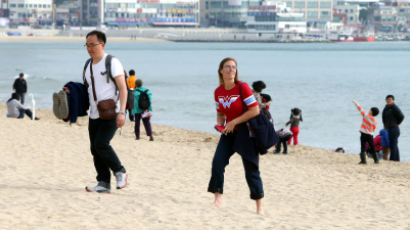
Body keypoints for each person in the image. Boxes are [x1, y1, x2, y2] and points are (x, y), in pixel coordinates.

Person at [207, 57, 264, 214]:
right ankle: (218, 198)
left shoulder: (242, 87)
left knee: (251, 169)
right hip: (229, 133)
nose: (231, 69)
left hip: (246, 133)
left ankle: (259, 206)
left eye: (234, 67)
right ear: (221, 70)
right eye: (227, 67)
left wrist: (234, 122)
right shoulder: (218, 92)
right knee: (217, 163)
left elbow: (255, 110)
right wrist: (221, 125)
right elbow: (220, 113)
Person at [83, 30, 128, 193]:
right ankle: (103, 182)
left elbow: (123, 89)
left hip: (112, 112)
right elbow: (86, 89)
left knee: (101, 144)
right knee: (94, 149)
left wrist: (122, 112)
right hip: (94, 113)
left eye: (92, 44)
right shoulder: (88, 65)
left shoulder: (112, 62)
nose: (89, 48)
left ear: (102, 45)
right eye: (87, 45)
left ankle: (120, 171)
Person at [353, 100, 379, 164]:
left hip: (363, 134)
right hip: (370, 135)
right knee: (372, 147)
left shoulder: (366, 116)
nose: (369, 111)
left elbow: (360, 109)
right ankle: (376, 160)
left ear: (371, 111)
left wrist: (356, 103)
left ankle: (363, 160)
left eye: (370, 110)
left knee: (363, 147)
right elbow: (374, 129)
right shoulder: (375, 121)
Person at [382, 95, 404, 162]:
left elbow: (401, 116)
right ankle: (396, 159)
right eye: (387, 99)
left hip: (394, 128)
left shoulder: (394, 107)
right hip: (388, 129)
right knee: (392, 144)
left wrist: (397, 124)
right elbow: (384, 117)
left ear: (393, 100)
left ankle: (393, 159)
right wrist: (385, 126)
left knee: (393, 144)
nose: (388, 100)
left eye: (390, 99)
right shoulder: (386, 108)